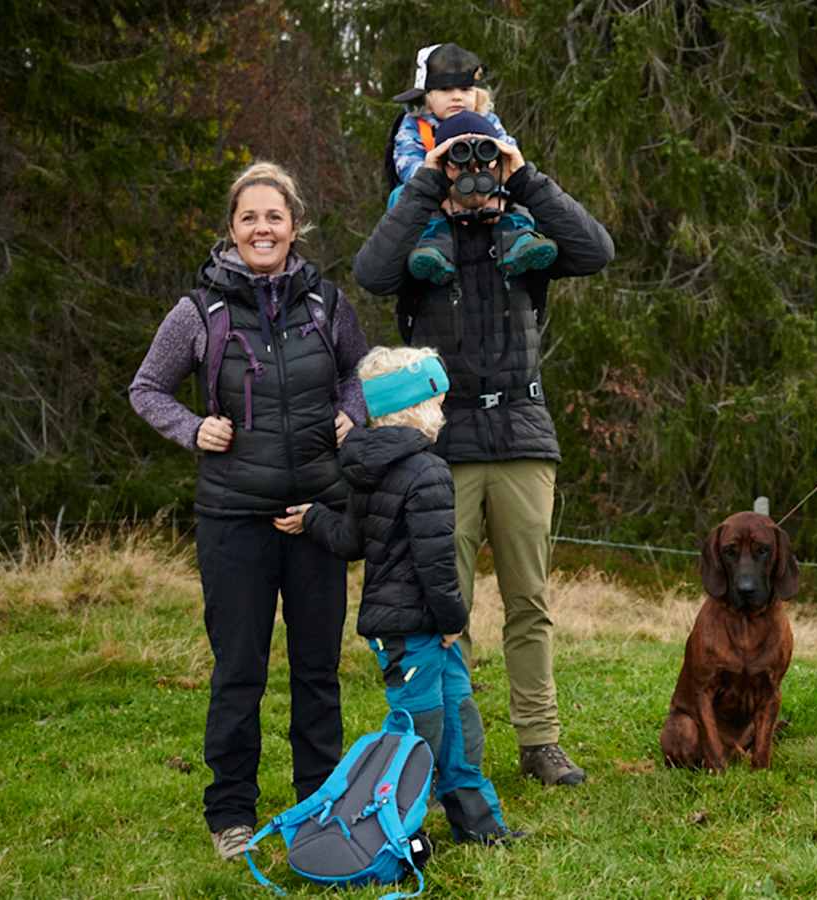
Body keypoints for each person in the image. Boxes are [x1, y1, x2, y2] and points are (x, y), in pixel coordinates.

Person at [355, 109, 615, 787]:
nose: (472, 175)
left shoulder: (525, 235)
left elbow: (596, 251)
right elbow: (370, 271)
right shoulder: (419, 244)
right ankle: (453, 749)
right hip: (443, 443)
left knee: (530, 600)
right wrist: (424, 183)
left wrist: (524, 176)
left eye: (482, 161)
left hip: (523, 433)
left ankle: (540, 740)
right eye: (459, 161)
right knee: (447, 607)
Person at [129, 162, 370, 858]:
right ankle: (230, 812)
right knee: (240, 668)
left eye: (274, 216)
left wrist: (352, 410)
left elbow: (359, 370)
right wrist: (191, 429)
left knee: (318, 669)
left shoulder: (328, 303)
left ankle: (319, 805)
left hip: (316, 515)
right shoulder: (198, 312)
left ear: (295, 225)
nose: (262, 228)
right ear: (231, 230)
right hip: (233, 520)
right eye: (248, 218)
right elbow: (148, 389)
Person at [276, 346, 519, 844]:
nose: (444, 414)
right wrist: (454, 620)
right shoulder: (427, 472)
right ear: (419, 408)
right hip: (418, 630)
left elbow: (350, 541)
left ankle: (477, 824)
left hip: (411, 628)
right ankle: (378, 830)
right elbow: (436, 565)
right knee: (418, 731)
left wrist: (313, 517)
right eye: (440, 403)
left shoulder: (369, 468)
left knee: (458, 718)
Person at [384, 43, 557, 285]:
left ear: (476, 93)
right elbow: (407, 165)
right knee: (401, 196)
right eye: (445, 89)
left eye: (465, 89)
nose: (456, 96)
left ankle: (518, 242)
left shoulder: (488, 121)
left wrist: (501, 194)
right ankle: (435, 251)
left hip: (489, 192)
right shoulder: (414, 125)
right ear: (427, 96)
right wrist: (442, 195)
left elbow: (510, 157)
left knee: (522, 189)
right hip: (438, 199)